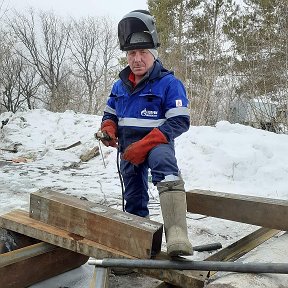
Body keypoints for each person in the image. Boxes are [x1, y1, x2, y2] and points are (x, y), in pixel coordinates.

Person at [99, 9, 193, 257]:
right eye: (132, 53)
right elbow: (109, 115)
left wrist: (146, 145)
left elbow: (179, 121)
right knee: (133, 196)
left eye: (142, 53)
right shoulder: (120, 85)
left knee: (165, 164)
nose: (137, 58)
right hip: (128, 149)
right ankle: (142, 245)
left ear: (153, 55)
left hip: (157, 145)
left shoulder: (169, 84)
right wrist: (107, 129)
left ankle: (177, 235)